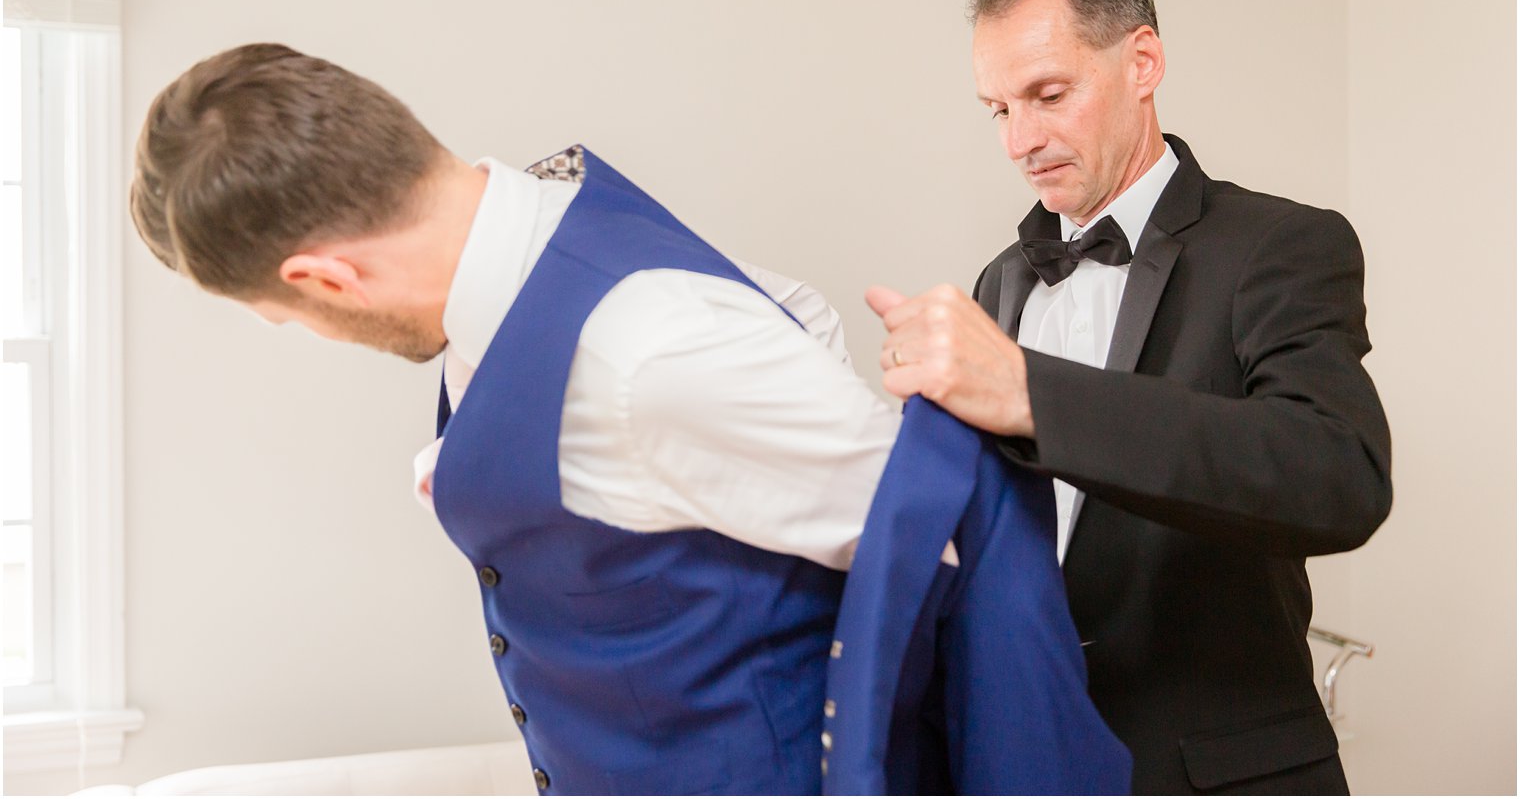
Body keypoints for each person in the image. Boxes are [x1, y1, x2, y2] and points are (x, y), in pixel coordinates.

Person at [129, 43, 1127, 795]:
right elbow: (793, 315)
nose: (312, 331)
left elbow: (948, 553)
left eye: (288, 316)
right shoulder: (533, 243)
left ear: (324, 276)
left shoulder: (642, 354)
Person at [867, 0, 1392, 795]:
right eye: (999, 109)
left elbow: (1340, 476)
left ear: (1142, 62)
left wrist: (1031, 395)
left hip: (1214, 773)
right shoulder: (998, 283)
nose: (1019, 141)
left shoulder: (1283, 245)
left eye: (1048, 94)